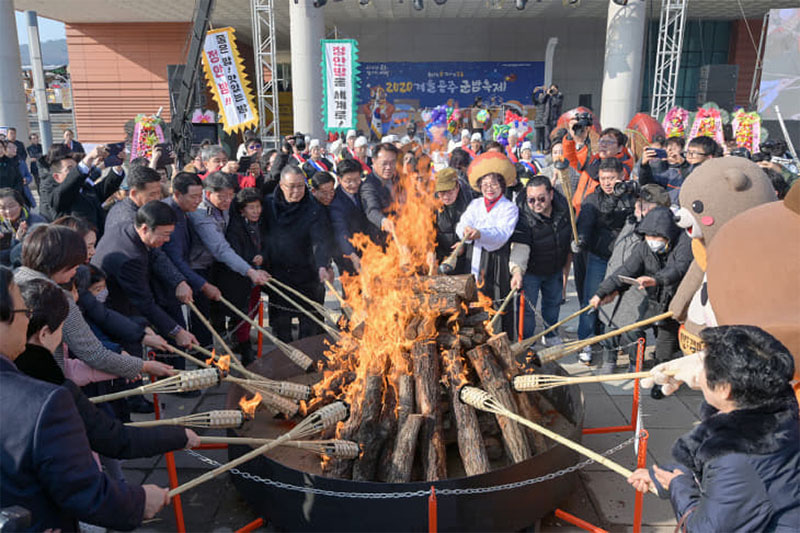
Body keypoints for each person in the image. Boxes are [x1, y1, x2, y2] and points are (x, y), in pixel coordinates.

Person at [0, 266, 170, 532]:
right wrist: (140, 501)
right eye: (24, 312)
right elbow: (84, 490)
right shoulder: (44, 403)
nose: (27, 320)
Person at [627, 325, 799, 532]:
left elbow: (705, 529)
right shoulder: (777, 408)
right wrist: (665, 476)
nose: (697, 374)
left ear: (725, 389)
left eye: (703, 368)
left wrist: (679, 486)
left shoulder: (738, 457)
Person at [14, 278, 198, 467]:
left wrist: (129, 368)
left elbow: (71, 368)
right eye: (61, 330)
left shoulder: (20, 371)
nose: (63, 338)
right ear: (44, 334)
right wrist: (175, 436)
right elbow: (112, 438)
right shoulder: (54, 394)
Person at [15, 225, 173, 380]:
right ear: (60, 262)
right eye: (75, 264)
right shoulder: (56, 298)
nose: (77, 270)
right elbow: (93, 353)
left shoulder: (15, 280)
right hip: (44, 381)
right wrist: (142, 366)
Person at [589, 206, 691, 374]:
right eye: (648, 236)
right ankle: (661, 367)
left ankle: (662, 375)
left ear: (668, 235)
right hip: (656, 297)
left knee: (666, 337)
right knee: (645, 330)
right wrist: (602, 293)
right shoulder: (644, 247)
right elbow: (625, 271)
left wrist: (655, 279)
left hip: (677, 297)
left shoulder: (684, 243)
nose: (652, 240)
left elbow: (679, 268)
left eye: (657, 236)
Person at [93, 201, 199, 349]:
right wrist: (177, 332)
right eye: (165, 235)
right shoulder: (130, 258)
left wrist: (179, 281)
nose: (167, 239)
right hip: (117, 314)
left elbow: (154, 254)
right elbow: (144, 302)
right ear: (144, 228)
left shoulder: (127, 228)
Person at [188, 172, 270, 343]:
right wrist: (250, 272)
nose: (227, 201)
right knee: (202, 313)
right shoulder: (200, 214)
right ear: (209, 194)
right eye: (222, 197)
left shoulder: (227, 206)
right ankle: (205, 355)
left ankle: (229, 339)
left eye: (230, 196)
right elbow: (220, 249)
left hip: (217, 264)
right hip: (197, 266)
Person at [573, 158, 635, 363]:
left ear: (622, 176)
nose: (607, 183)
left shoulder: (632, 197)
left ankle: (617, 343)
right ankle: (586, 342)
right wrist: (580, 240)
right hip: (599, 256)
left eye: (611, 178)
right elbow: (586, 222)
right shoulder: (593, 198)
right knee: (591, 299)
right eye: (603, 178)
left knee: (623, 302)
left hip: (625, 259)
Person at [262, 165, 332, 342]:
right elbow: (260, 235)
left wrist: (323, 265)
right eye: (291, 186)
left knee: (309, 324)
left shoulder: (313, 207)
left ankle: (310, 361)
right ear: (281, 185)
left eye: (301, 186)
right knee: (281, 326)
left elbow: (320, 240)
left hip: (308, 272)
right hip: (279, 274)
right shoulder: (268, 205)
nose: (297, 191)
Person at [456, 152, 519, 334]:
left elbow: (501, 234)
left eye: (493, 184)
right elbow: (462, 224)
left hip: (496, 259)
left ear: (501, 186)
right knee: (474, 297)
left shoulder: (509, 208)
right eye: (485, 184)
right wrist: (466, 231)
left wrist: (480, 233)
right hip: (474, 255)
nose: (489, 188)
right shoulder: (475, 204)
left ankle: (498, 337)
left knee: (495, 299)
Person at [509, 176, 572, 343]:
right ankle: (527, 342)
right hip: (531, 271)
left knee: (553, 305)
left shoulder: (565, 209)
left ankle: (551, 334)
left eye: (541, 198)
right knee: (527, 310)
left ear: (551, 195)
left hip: (555, 267)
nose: (536, 203)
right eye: (531, 200)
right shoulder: (522, 216)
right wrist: (517, 271)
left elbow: (571, 237)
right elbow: (520, 246)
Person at [220, 187, 267, 363]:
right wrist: (250, 260)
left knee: (252, 311)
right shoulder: (235, 227)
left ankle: (241, 341)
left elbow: (267, 244)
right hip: (241, 277)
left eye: (258, 207)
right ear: (242, 210)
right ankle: (245, 350)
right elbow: (234, 253)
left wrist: (263, 256)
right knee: (243, 314)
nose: (256, 211)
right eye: (251, 208)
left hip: (257, 276)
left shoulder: (261, 223)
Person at [39, 144, 125, 232]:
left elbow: (102, 189)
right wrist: (90, 157)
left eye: (75, 167)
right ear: (57, 177)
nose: (74, 172)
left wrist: (117, 166)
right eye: (69, 169)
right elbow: (66, 189)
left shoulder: (84, 188)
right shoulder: (54, 190)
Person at [570, 128, 633, 216]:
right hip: (578, 209)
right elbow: (571, 159)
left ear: (620, 148)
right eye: (601, 141)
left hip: (600, 214)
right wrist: (570, 138)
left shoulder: (624, 164)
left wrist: (582, 144)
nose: (603, 145)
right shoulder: (595, 160)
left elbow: (596, 173)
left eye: (609, 142)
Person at [328, 159, 375, 275]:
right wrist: (352, 255)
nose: (354, 185)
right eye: (348, 181)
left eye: (357, 179)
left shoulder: (365, 189)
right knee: (352, 288)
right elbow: (340, 231)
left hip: (369, 249)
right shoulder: (335, 202)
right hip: (346, 253)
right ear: (339, 180)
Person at [434, 167, 473, 276]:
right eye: (441, 192)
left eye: (449, 191)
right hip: (441, 257)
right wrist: (429, 250)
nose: (446, 197)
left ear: (457, 187)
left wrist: (464, 245)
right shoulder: (432, 202)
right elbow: (428, 230)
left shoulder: (470, 200)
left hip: (466, 259)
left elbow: (478, 232)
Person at [360, 142, 401, 239]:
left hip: (403, 234)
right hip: (380, 240)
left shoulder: (399, 179)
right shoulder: (368, 185)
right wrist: (383, 221)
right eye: (384, 163)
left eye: (392, 162)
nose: (389, 167)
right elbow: (371, 210)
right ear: (373, 161)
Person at [638, 136, 690, 205]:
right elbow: (647, 182)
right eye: (668, 149)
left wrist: (683, 164)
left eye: (674, 148)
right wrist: (644, 166)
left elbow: (691, 178)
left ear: (682, 151)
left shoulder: (688, 166)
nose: (670, 152)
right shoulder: (659, 166)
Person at [0, 188, 46, 264]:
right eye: (2, 208)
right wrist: (17, 241)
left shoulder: (37, 222)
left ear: (21, 205)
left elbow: (39, 252)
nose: (8, 211)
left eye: (11, 206)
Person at [0, 140, 26, 204]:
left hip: (12, 198)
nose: (0, 150)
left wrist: (14, 193)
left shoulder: (11, 162)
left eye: (1, 147)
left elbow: (19, 180)